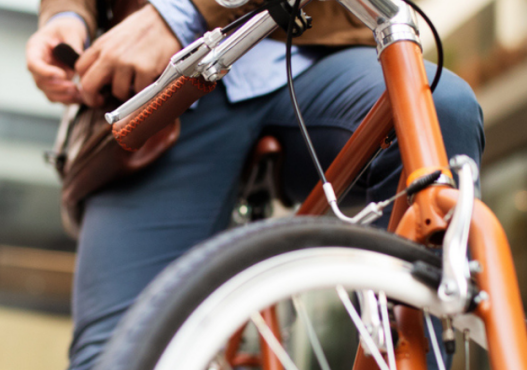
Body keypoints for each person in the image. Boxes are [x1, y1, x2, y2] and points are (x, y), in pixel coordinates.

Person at [27, 0, 485, 369]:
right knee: (115, 355)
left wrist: (184, 10)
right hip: (159, 90)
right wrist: (66, 17)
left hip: (314, 51)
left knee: (440, 112)